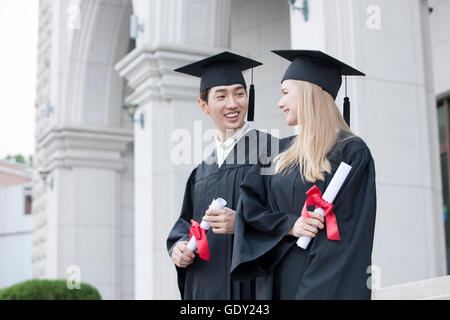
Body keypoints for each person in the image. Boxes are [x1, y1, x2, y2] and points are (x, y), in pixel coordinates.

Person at [230, 50, 377, 299]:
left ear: (309, 92)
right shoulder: (276, 152)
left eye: (285, 92)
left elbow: (345, 243)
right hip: (272, 285)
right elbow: (250, 211)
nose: (280, 102)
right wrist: (289, 225)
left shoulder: (351, 152)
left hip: (315, 286)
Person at [167, 51, 276, 299]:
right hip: (204, 288)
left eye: (239, 93)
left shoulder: (272, 152)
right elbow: (185, 225)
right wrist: (179, 247)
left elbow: (286, 220)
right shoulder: (202, 171)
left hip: (250, 289)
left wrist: (242, 223)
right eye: (221, 96)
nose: (232, 103)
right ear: (204, 106)